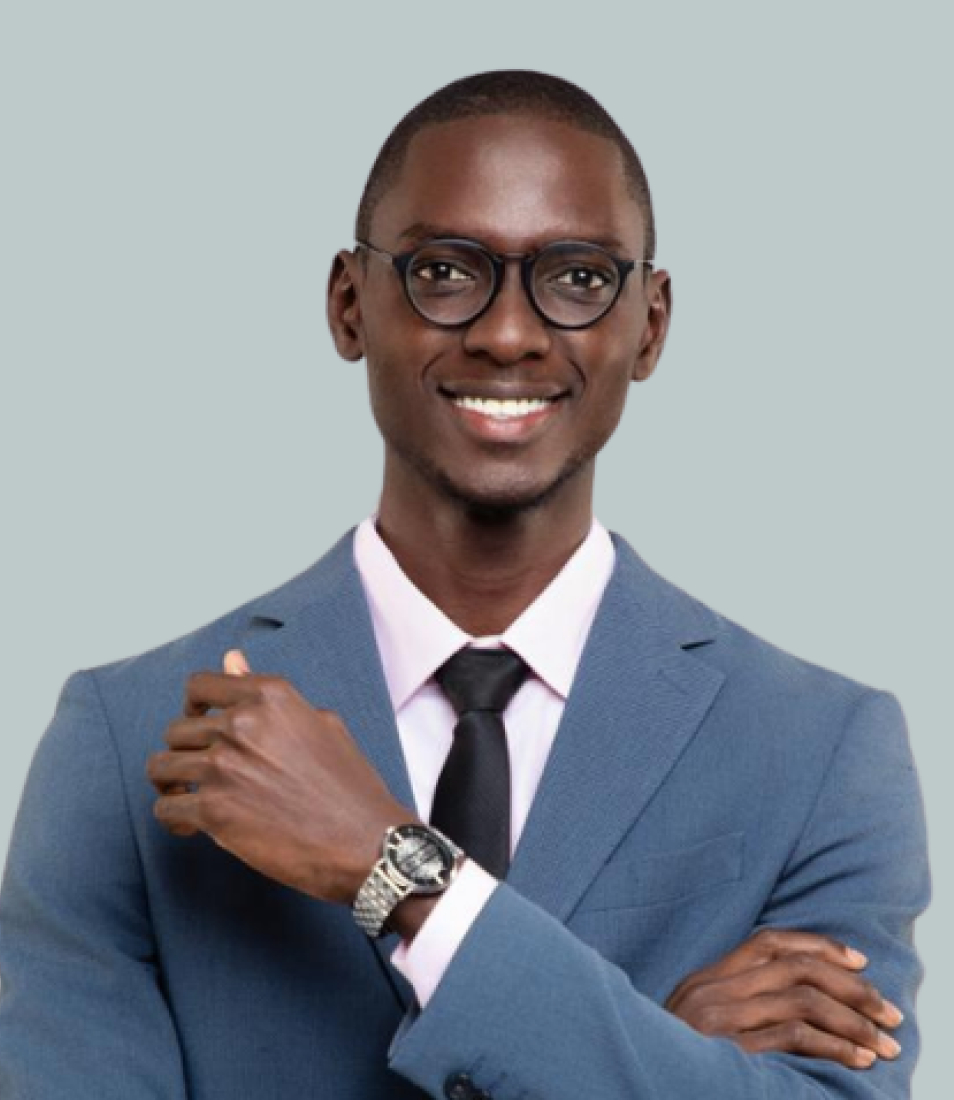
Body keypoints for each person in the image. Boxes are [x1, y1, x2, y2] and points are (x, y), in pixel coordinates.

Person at [0, 70, 930, 1100]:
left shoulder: (821, 751)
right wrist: (656, 1048)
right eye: (445, 271)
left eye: (578, 277)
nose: (508, 333)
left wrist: (394, 868)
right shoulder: (127, 743)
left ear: (651, 324)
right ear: (349, 305)